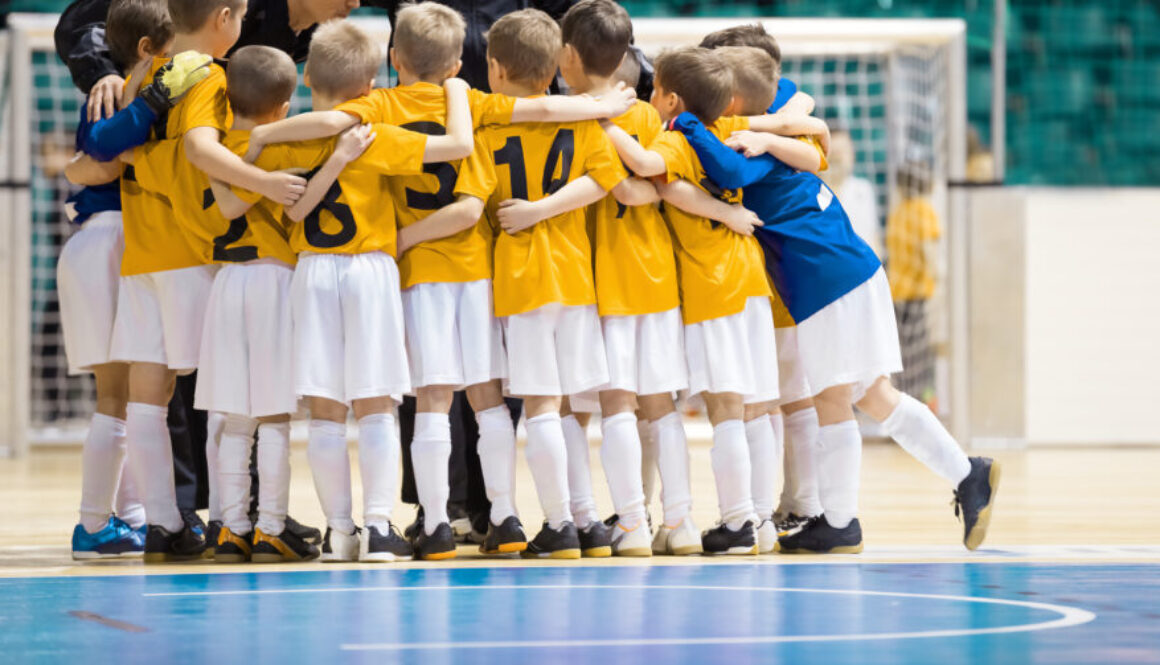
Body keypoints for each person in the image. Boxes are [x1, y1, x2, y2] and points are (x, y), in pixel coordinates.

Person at [241, 1, 637, 559]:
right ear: (458, 65)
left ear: (394, 58)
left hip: (412, 273)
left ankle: (433, 523)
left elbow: (330, 120)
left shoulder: (375, 108)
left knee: (429, 400)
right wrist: (592, 104)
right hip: (476, 269)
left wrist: (263, 138)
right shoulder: (470, 107)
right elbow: (534, 112)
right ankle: (505, 519)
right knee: (488, 400)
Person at [664, 46, 1000, 553]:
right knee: (871, 394)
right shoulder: (770, 131)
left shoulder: (747, 143)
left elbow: (733, 172)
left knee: (833, 399)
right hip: (850, 270)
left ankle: (842, 521)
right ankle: (965, 472)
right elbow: (800, 113)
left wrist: (686, 124)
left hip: (828, 280)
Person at [243, 19, 474, 563]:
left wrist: (264, 137)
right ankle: (378, 528)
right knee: (376, 406)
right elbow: (455, 148)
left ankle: (339, 531)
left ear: (305, 79)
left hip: (313, 270)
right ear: (371, 85)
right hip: (370, 267)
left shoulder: (289, 137)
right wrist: (457, 93)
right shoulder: (379, 132)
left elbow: (289, 203)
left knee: (325, 410)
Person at [105, 0, 312, 562]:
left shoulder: (140, 76)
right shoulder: (206, 75)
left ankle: (164, 523)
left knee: (148, 396)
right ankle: (233, 519)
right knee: (233, 394)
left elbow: (124, 153)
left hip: (141, 247)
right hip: (191, 246)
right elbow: (201, 150)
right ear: (225, 16)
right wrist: (263, 183)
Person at [455, 8, 655, 559]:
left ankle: (561, 523)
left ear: (493, 69)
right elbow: (604, 182)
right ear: (555, 68)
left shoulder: (485, 127)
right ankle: (590, 520)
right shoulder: (583, 121)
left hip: (521, 280)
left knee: (542, 406)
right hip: (577, 278)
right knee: (569, 405)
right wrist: (548, 210)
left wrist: (531, 213)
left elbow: (476, 205)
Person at [599, 47, 778, 557]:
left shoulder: (677, 137)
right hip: (748, 275)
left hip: (712, 284)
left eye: (654, 93)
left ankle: (739, 520)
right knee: (755, 408)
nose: (649, 99)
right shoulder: (731, 129)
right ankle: (759, 520)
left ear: (672, 99)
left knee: (727, 409)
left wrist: (603, 123)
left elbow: (648, 167)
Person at [553, 0, 685, 558]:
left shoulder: (567, 117)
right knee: (660, 404)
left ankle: (629, 522)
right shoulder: (650, 117)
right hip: (655, 271)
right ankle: (680, 523)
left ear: (568, 56)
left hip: (602, 278)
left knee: (613, 404)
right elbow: (658, 185)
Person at [58, 0, 175, 560]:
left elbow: (87, 163)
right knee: (115, 397)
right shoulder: (131, 95)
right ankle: (90, 525)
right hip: (110, 240)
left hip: (93, 240)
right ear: (150, 48)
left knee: (122, 398)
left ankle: (126, 518)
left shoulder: (108, 90)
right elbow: (104, 158)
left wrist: (72, 169)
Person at [886, 163, 941, 407]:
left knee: (903, 354)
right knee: (922, 354)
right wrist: (939, 278)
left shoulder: (898, 211)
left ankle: (905, 401)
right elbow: (929, 251)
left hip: (896, 291)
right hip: (918, 294)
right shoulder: (924, 210)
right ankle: (923, 402)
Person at [824, 129, 882, 258]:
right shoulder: (816, 192)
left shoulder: (863, 189)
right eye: (835, 153)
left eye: (844, 151)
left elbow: (874, 235)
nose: (839, 158)